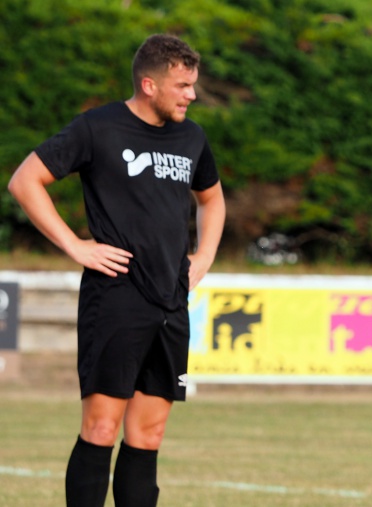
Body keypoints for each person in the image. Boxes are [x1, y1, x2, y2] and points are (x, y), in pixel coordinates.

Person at [7, 34, 225, 506]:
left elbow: (211, 198)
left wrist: (204, 256)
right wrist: (74, 245)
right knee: (101, 428)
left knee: (149, 436)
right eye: (183, 85)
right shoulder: (98, 128)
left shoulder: (192, 138)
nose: (191, 94)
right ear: (149, 84)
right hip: (116, 297)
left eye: (193, 85)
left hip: (171, 301)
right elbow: (25, 180)